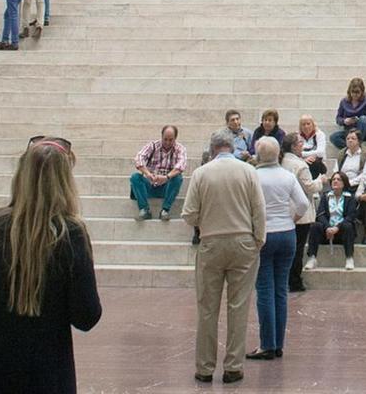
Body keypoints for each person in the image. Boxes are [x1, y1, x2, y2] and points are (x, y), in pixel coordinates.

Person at [0, 139, 103, 394]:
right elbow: (86, 317)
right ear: (66, 182)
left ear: (20, 175)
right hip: (44, 375)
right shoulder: (71, 235)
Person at [182, 135, 266, 386]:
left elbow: (189, 214)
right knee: (238, 307)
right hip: (243, 241)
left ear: (212, 150)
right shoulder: (249, 171)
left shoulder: (201, 173)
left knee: (207, 308)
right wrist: (258, 240)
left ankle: (204, 368)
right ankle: (233, 367)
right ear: (232, 148)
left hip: (211, 241)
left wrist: (204, 222)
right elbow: (259, 209)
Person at [278, 143, 321, 295]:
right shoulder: (300, 165)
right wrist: (321, 181)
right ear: (294, 147)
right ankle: (295, 281)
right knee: (297, 249)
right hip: (299, 212)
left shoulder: (280, 163)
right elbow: (310, 187)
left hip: (283, 211)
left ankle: (284, 280)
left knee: (286, 249)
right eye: (300, 143)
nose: (302, 145)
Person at [130, 125, 187, 221]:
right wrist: (148, 174)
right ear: (161, 136)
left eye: (170, 140)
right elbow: (138, 159)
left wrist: (166, 177)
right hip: (150, 184)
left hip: (166, 187)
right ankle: (144, 209)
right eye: (165, 139)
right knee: (135, 177)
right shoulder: (152, 146)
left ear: (175, 138)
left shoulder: (180, 149)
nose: (167, 142)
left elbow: (181, 165)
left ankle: (165, 210)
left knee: (178, 177)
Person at [306, 172, 359, 271]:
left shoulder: (350, 197)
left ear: (344, 183)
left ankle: (349, 258)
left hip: (342, 231)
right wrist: (328, 227)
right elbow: (320, 214)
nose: (335, 181)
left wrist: (337, 227)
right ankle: (312, 257)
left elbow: (350, 216)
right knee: (315, 226)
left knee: (348, 225)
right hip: (327, 232)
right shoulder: (326, 196)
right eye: (334, 179)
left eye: (339, 179)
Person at [331, 77, 366, 150]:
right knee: (334, 137)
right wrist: (345, 121)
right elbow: (338, 119)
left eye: (357, 92)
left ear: (362, 92)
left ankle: (357, 144)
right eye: (353, 92)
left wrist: (358, 120)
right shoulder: (344, 101)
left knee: (363, 119)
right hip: (350, 130)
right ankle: (352, 148)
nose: (355, 95)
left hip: (364, 131)